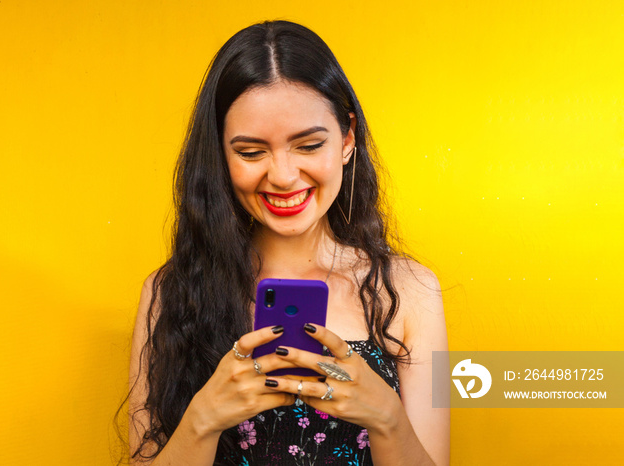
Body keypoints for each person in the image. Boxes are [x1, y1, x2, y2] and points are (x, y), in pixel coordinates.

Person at [127, 20, 449, 466]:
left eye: (308, 144)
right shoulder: (169, 292)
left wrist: (388, 419)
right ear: (220, 154)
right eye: (251, 151)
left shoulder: (412, 292)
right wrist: (203, 419)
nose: (281, 175)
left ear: (347, 138)